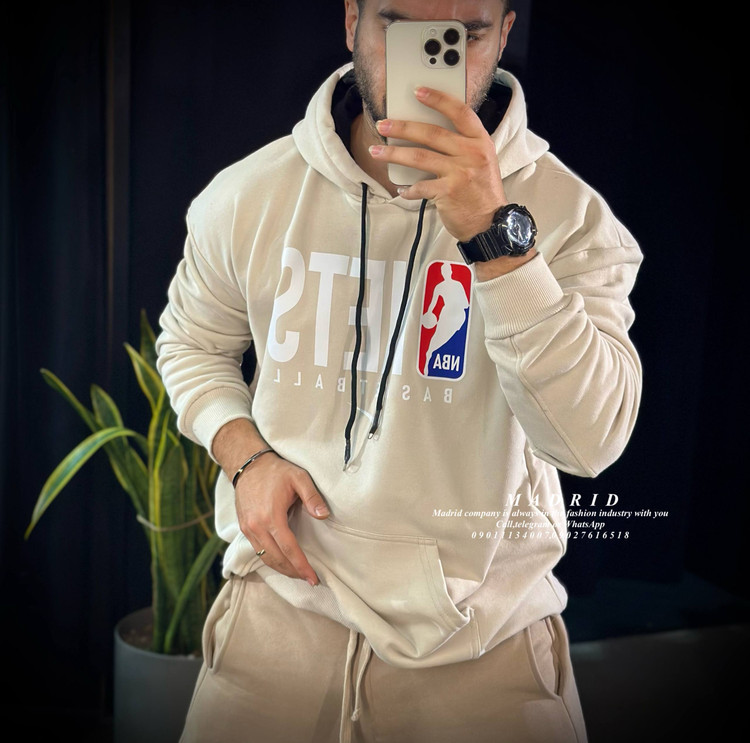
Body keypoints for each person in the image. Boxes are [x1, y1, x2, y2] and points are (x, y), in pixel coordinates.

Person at [156, 1, 642, 741]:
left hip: (483, 649)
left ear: (504, 36)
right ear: (352, 20)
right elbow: (191, 343)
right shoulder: (248, 195)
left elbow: (590, 441)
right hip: (276, 622)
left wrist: (494, 234)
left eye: (465, 35)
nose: (430, 57)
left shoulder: (571, 217)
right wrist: (244, 457)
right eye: (397, 23)